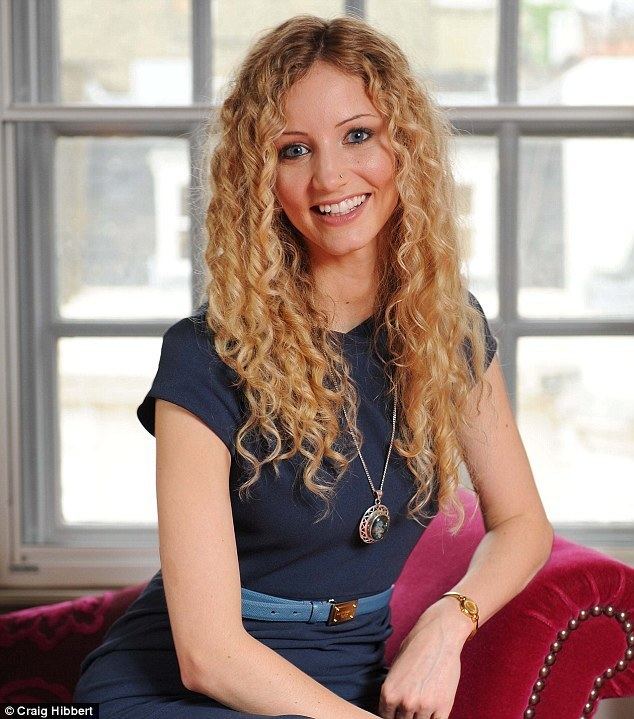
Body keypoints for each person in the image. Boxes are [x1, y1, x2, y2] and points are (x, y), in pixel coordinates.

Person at [73, 14, 553, 719]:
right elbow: (207, 652)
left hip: (344, 671)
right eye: (293, 149)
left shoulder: (448, 330)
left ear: (406, 148)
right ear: (259, 179)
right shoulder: (203, 356)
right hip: (183, 686)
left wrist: (447, 624)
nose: (330, 174)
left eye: (358, 134)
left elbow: (523, 524)